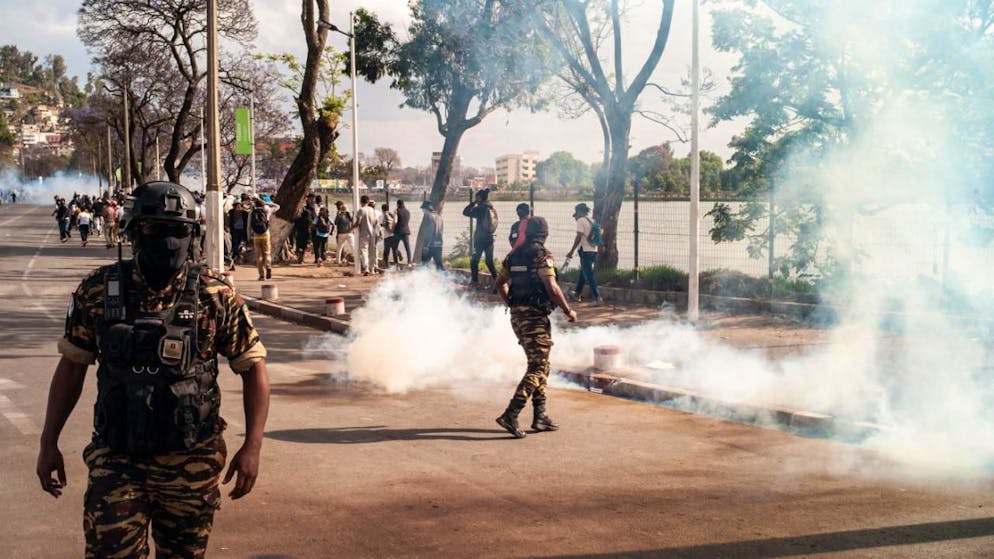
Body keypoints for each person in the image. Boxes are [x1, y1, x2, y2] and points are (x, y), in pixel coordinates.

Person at [36, 181, 270, 559]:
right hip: (117, 460)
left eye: (178, 230)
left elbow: (253, 368)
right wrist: (48, 441)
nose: (168, 241)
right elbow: (72, 367)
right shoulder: (99, 291)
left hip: (191, 463)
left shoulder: (216, 296)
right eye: (154, 229)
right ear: (133, 231)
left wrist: (253, 446)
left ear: (192, 234)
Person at [494, 217, 577, 438]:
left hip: (517, 318)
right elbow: (552, 286)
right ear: (544, 234)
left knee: (541, 364)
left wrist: (512, 304)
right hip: (534, 317)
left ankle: (540, 416)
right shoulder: (542, 255)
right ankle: (511, 414)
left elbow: (499, 284)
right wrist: (568, 311)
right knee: (538, 367)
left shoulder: (513, 255)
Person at [565, 202, 604, 305]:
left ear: (579, 211)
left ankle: (597, 298)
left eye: (576, 213)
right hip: (593, 250)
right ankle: (577, 294)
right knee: (583, 273)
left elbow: (579, 236)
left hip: (585, 251)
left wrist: (571, 251)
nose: (576, 216)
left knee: (589, 275)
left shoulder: (581, 220)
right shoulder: (592, 220)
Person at [462, 189, 499, 287]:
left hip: (480, 239)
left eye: (476, 197)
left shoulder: (480, 209)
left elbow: (465, 212)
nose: (475, 199)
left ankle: (475, 282)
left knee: (474, 261)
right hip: (489, 238)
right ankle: (497, 282)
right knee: (489, 261)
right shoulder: (491, 208)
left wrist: (473, 203)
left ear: (479, 198)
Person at [248, 195, 280, 280]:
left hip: (256, 235)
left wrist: (248, 237)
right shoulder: (267, 210)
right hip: (265, 234)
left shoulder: (252, 212)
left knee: (259, 256)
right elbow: (277, 206)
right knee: (267, 253)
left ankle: (261, 275)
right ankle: (268, 266)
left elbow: (248, 226)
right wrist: (266, 203)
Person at [353, 195, 378, 275]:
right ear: (368, 202)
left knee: (364, 251)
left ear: (361, 202)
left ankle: (366, 268)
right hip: (372, 233)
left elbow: (358, 222)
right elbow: (375, 222)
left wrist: (351, 227)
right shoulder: (372, 210)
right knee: (372, 252)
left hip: (364, 234)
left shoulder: (361, 210)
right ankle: (372, 269)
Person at [419, 200, 444, 271]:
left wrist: (426, 245)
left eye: (423, 209)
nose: (422, 211)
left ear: (427, 209)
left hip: (430, 245)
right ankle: (444, 280)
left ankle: (425, 280)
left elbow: (429, 232)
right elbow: (440, 231)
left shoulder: (428, 216)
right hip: (439, 244)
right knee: (439, 265)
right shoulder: (439, 217)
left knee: (424, 265)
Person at [293, 198, 315, 264]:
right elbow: (310, 228)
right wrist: (310, 238)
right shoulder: (309, 221)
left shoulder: (299, 219)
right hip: (306, 235)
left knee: (299, 246)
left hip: (299, 234)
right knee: (304, 247)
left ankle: (299, 257)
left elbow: (295, 225)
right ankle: (301, 259)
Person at [380, 203, 399, 268]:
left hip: (387, 236)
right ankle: (397, 265)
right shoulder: (391, 214)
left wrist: (382, 225)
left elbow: (385, 224)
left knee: (386, 251)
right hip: (393, 235)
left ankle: (386, 265)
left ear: (382, 209)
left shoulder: (384, 215)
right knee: (394, 250)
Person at [393, 199, 412, 265]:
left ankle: (396, 264)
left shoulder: (396, 211)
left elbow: (395, 221)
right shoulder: (408, 211)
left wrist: (393, 229)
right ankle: (409, 263)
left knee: (394, 248)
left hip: (398, 232)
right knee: (407, 248)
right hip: (406, 231)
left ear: (398, 204)